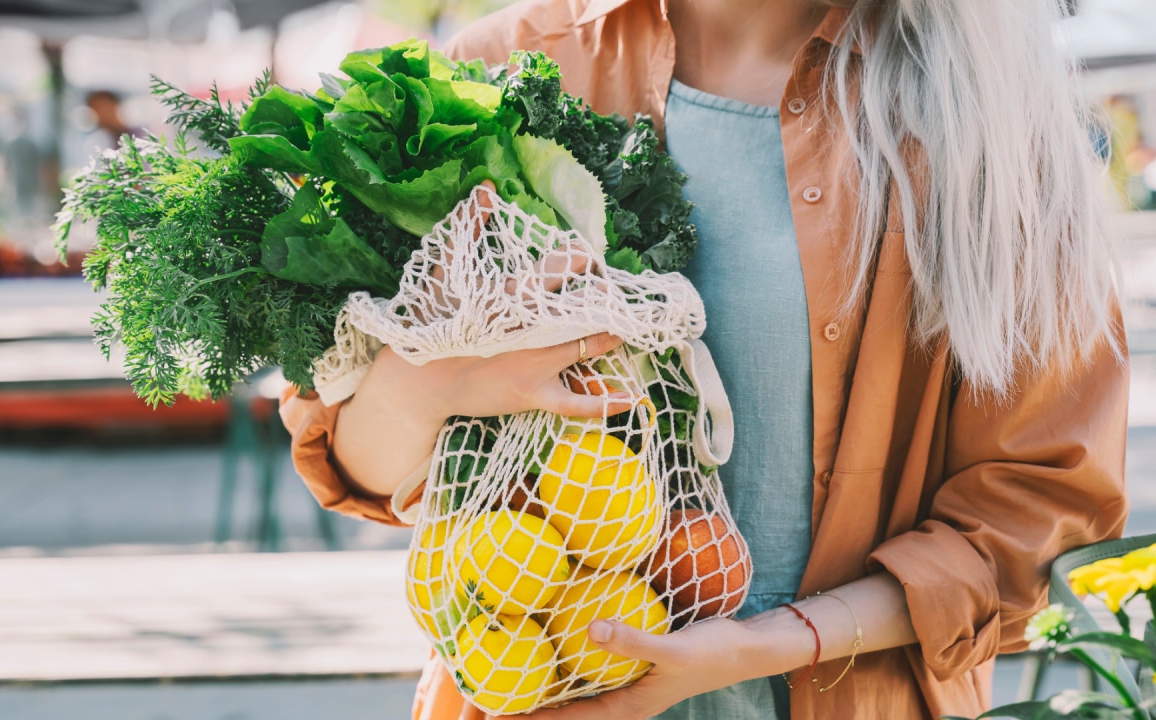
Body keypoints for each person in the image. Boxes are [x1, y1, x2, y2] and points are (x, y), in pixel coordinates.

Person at [278, 0, 1132, 717]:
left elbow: (1029, 514)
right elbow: (357, 468)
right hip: (527, 688)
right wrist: (435, 383)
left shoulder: (988, 120)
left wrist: (765, 644)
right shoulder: (503, 69)